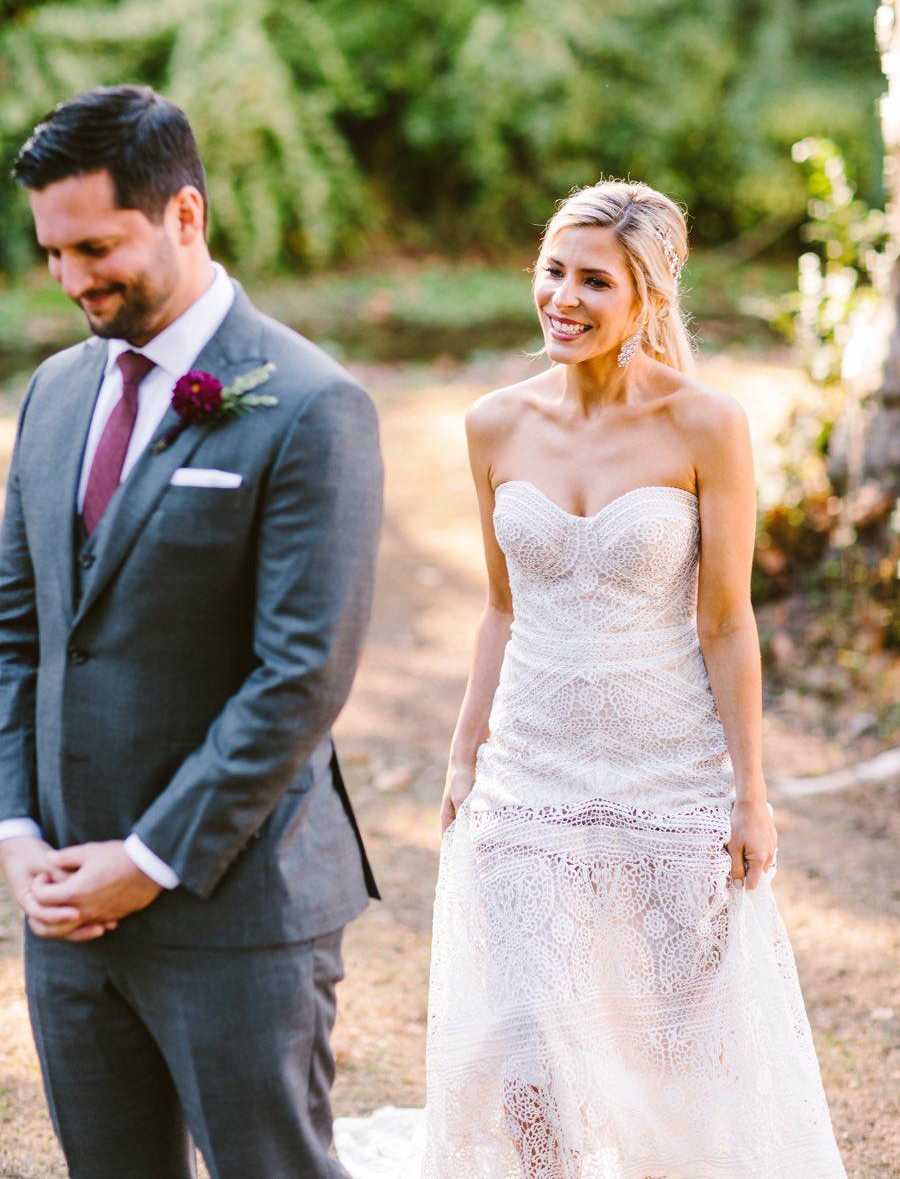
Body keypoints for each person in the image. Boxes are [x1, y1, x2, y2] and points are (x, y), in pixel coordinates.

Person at [336, 180, 845, 1177]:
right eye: (552, 271)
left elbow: (728, 623)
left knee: (679, 1048)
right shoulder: (494, 423)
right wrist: (460, 755)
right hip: (530, 773)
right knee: (529, 1042)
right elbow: (499, 605)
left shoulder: (708, 425)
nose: (562, 298)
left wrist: (751, 792)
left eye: (593, 281)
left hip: (670, 774)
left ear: (648, 296)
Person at [0, 84, 383, 1179]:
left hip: (238, 912)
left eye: (97, 247)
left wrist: (151, 859)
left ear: (185, 214)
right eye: (53, 254)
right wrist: (20, 832)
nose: (73, 280)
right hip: (67, 911)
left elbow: (299, 678)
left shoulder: (312, 406)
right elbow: (17, 635)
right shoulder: (56, 392)